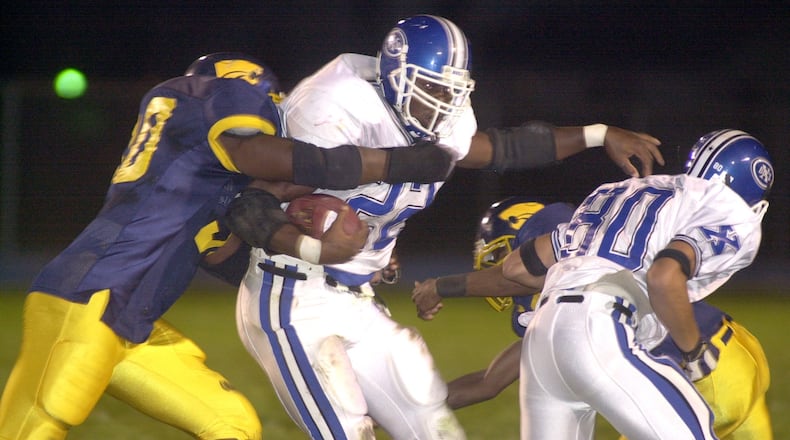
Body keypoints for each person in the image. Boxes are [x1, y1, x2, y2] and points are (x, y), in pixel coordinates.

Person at [233, 14, 666, 440]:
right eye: (432, 88)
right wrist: (316, 248)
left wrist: (598, 133)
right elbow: (252, 203)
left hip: (359, 299)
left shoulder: (440, 119)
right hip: (292, 294)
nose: (444, 102)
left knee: (434, 427)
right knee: (348, 431)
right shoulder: (335, 108)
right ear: (396, 76)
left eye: (451, 90)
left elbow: (503, 149)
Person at [0, 52, 458, 440]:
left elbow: (224, 256)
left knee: (232, 424)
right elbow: (265, 155)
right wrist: (389, 163)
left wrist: (338, 261)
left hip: (129, 326)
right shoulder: (215, 93)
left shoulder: (196, 179)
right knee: (41, 418)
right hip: (87, 300)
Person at [412, 197, 774, 439]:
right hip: (729, 356)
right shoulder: (582, 276)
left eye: (502, 251)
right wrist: (395, 408)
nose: (496, 266)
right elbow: (487, 382)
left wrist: (440, 286)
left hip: (703, 367)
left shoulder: (577, 284)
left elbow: (507, 276)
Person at [496, 129, 773, 439]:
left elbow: (516, 266)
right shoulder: (729, 212)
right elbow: (663, 277)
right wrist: (693, 351)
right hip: (599, 327)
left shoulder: (630, 191)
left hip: (541, 337)